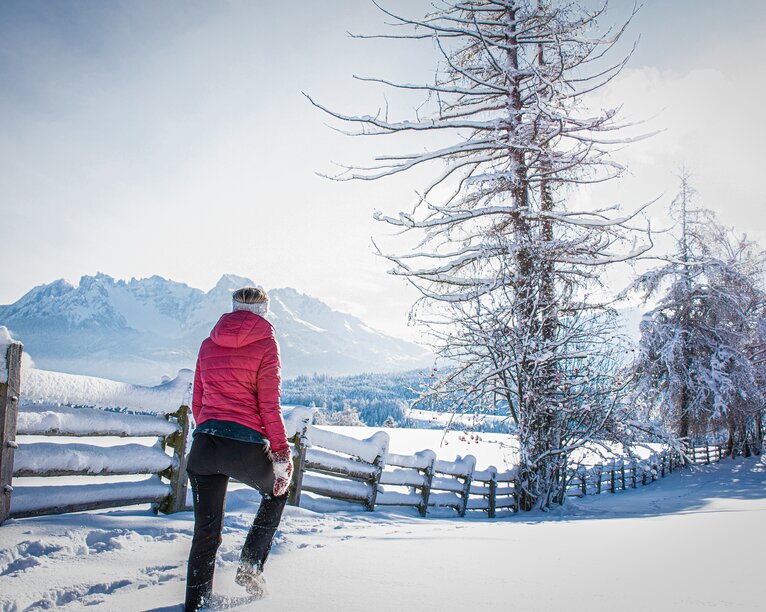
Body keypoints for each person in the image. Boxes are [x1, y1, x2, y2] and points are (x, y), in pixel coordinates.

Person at [184, 286, 293, 611]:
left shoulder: (208, 343)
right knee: (277, 492)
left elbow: (197, 401)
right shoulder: (266, 344)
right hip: (244, 447)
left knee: (206, 532)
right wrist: (281, 456)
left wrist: (210, 429)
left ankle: (195, 603)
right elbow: (269, 407)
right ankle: (249, 567)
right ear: (264, 311)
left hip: (204, 447)